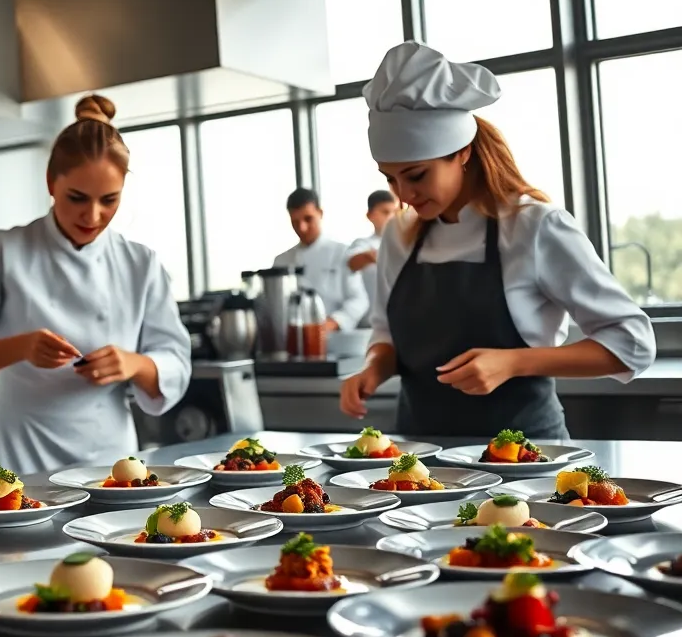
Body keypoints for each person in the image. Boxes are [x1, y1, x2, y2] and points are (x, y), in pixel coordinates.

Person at [340, 41, 656, 437]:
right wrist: (373, 368)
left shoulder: (535, 226)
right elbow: (385, 333)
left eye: (417, 175)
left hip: (525, 464)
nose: (403, 195)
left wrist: (514, 362)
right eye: (391, 178)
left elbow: (633, 343)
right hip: (423, 468)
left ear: (462, 153)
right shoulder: (399, 236)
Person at [0, 95, 192, 475]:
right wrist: (20, 347)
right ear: (51, 182)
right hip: (15, 451)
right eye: (77, 198)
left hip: (107, 455)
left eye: (110, 200)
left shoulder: (141, 263)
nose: (93, 215)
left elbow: (176, 365)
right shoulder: (4, 249)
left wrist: (132, 362)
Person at [272, 188, 370, 331]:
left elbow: (359, 300)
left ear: (320, 213)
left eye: (308, 219)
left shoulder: (342, 253)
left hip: (335, 339)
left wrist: (331, 323)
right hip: (294, 338)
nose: (302, 228)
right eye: (295, 222)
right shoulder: (281, 261)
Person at [346, 189, 400, 326]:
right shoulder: (362, 244)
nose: (392, 217)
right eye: (386, 212)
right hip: (369, 326)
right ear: (370, 215)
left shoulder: (405, 243)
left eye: (394, 212)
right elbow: (352, 263)